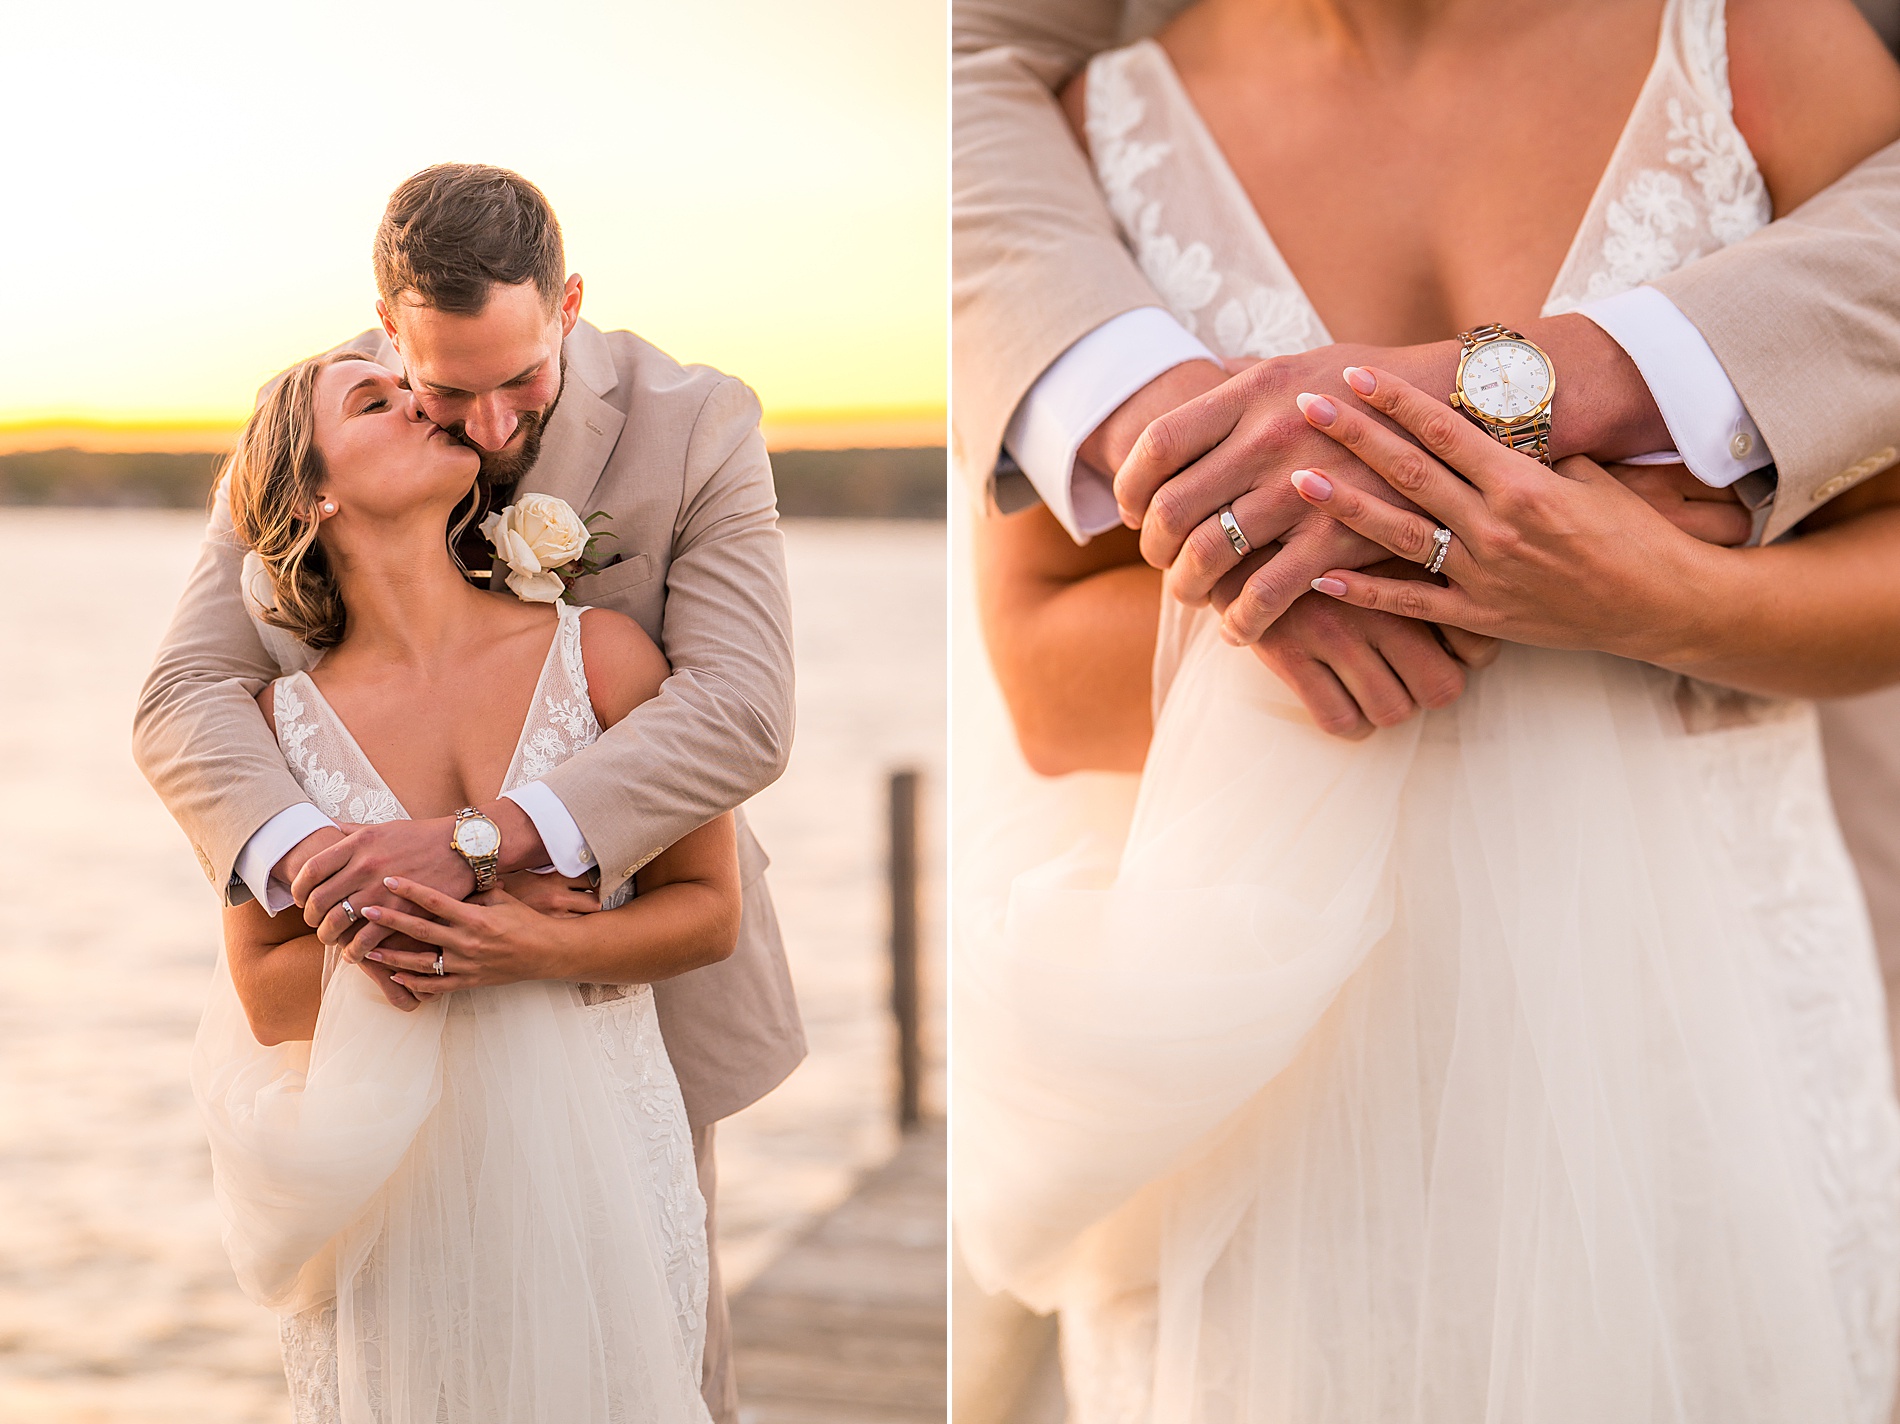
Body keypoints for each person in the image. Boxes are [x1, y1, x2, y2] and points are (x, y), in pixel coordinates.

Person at [953, 1, 1900, 1419]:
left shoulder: (1758, 47)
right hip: (1289, 1071)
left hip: (1699, 1042)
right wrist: (1352, 569)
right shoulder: (1106, 126)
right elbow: (1038, 668)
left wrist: (1650, 599)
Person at [135, 164, 801, 1422]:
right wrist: (320, 863)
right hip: (387, 1105)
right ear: (389, 328)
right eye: (443, 390)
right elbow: (181, 694)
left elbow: (745, 709)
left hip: (622, 1004)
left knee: (662, 1364)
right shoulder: (318, 416)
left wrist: (484, 850)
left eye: (522, 383)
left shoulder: (696, 421)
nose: (487, 429)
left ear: (571, 307)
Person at [195, 350, 726, 1420]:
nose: (417, 403)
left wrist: (540, 947)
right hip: (396, 1181)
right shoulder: (276, 728)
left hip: (595, 1158)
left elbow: (709, 911)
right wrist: (493, 913)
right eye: (372, 401)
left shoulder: (607, 657)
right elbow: (263, 988)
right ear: (314, 493)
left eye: (409, 390)